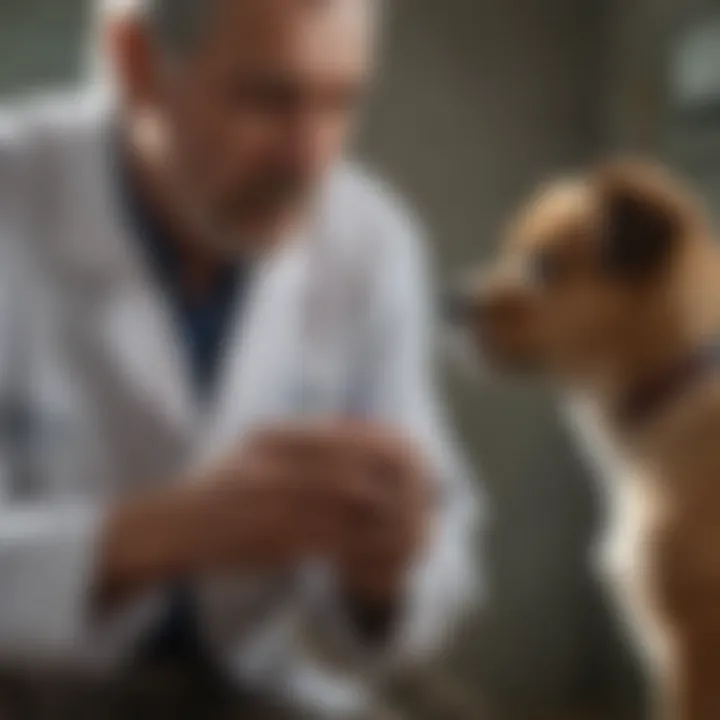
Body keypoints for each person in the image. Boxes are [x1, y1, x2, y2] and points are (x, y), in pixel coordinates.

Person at [0, 0, 478, 715]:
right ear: (136, 64)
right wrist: (162, 531)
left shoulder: (372, 241)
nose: (310, 157)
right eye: (267, 100)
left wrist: (384, 576)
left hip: (263, 678)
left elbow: (437, 555)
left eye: (340, 102)